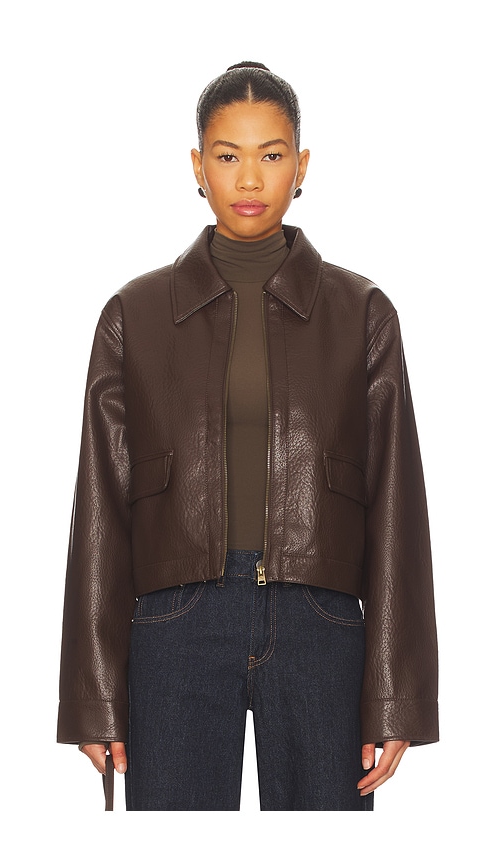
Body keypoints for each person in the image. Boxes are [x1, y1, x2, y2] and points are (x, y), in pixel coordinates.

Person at [57, 61, 439, 811]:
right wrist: (94, 696)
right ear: (198, 167)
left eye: (271, 154)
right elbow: (99, 509)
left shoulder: (361, 312)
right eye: (228, 155)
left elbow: (397, 503)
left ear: (302, 166)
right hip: (174, 623)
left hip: (320, 621)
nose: (251, 178)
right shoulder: (134, 314)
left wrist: (396, 694)